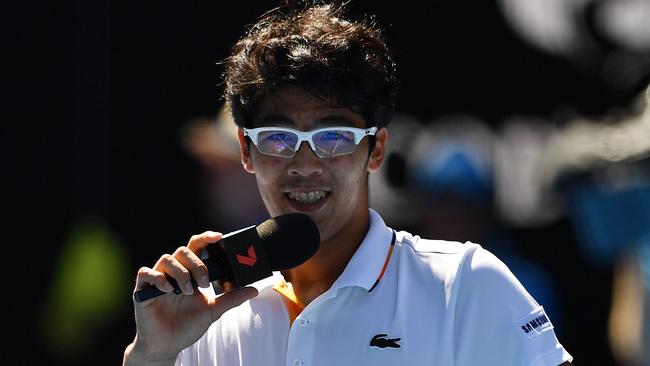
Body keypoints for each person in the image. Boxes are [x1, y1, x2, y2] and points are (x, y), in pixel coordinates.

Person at [122, 2, 573, 365]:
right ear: (246, 151)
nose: (304, 164)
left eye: (332, 137)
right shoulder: (205, 319)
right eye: (278, 138)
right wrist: (152, 356)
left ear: (376, 149)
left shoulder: (467, 283)